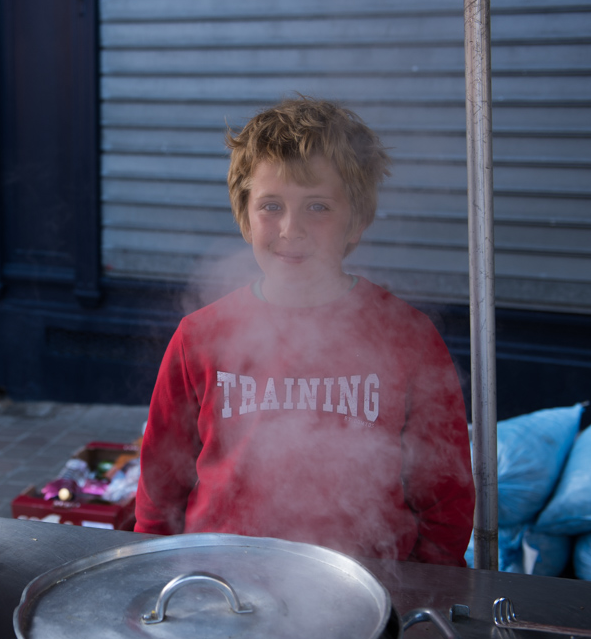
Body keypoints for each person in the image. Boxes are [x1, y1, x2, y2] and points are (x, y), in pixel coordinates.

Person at [134, 96, 475, 566]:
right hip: (219, 583)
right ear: (245, 216)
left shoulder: (408, 338)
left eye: (318, 206)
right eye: (271, 206)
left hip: (370, 592)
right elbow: (160, 486)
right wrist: (159, 566)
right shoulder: (200, 335)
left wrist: (422, 593)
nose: (291, 229)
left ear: (355, 221)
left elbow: (446, 495)